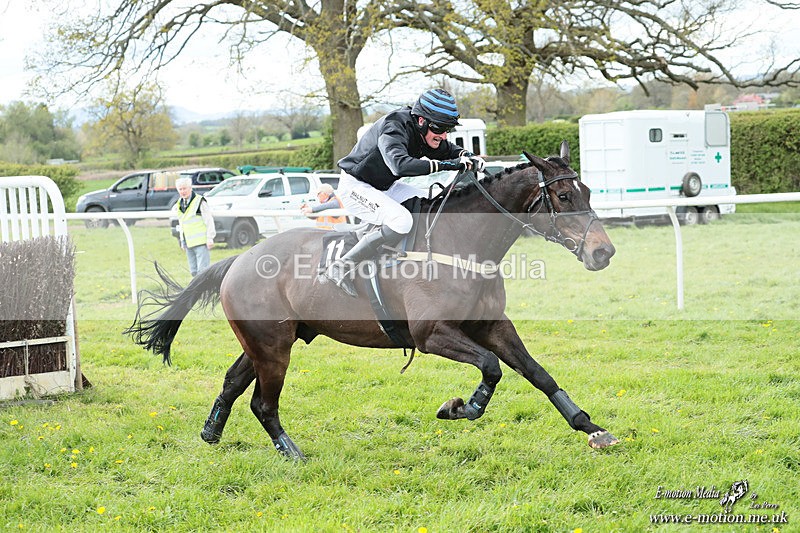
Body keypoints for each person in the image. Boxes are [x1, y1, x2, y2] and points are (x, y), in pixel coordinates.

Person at [324, 88, 486, 297]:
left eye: (448, 129)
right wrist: (451, 164)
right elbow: (399, 166)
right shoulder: (394, 126)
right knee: (402, 221)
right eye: (440, 128)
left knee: (432, 201)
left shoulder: (425, 132)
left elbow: (447, 148)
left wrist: (468, 155)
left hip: (385, 187)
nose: (444, 135)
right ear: (421, 121)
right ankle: (342, 265)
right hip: (355, 186)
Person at [174, 177, 216, 276]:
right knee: (193, 272)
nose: (183, 191)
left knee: (202, 272)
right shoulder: (179, 203)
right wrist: (182, 240)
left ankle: (204, 291)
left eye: (184, 188)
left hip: (201, 242)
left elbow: (208, 220)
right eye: (180, 189)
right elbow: (182, 223)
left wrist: (210, 238)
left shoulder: (199, 201)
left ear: (190, 188)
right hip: (189, 243)